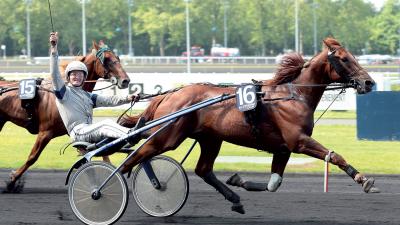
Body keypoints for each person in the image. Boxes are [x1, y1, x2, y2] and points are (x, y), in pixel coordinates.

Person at [49, 32, 138, 144]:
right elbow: (54, 74)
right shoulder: (63, 93)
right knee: (105, 123)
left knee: (106, 125)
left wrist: (129, 98)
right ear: (68, 76)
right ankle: (132, 134)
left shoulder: (87, 95)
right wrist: (54, 49)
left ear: (84, 77)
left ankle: (130, 135)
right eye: (74, 74)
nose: (77, 77)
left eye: (80, 74)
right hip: (79, 133)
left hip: (89, 131)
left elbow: (109, 101)